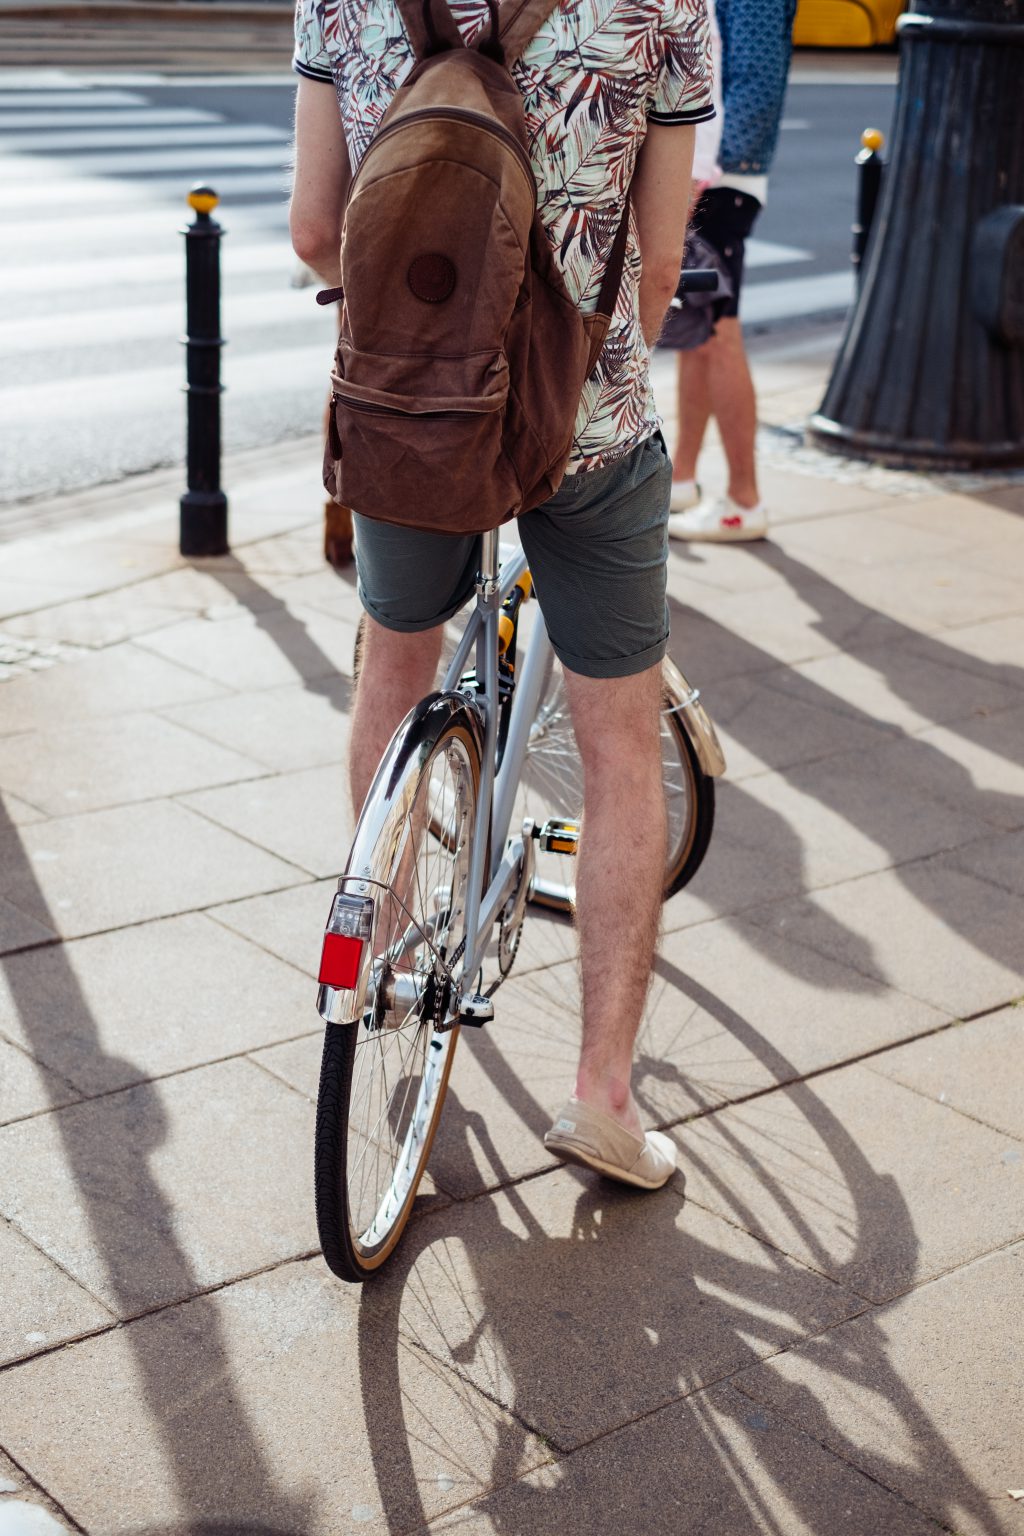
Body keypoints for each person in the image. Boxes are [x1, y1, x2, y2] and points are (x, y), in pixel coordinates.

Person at [290, 0, 713, 1189]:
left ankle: (372, 984)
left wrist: (434, 324)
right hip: (586, 422)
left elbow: (316, 230)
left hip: (404, 423)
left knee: (394, 665)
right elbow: (665, 258)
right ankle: (603, 1100)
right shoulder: (668, 6)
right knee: (620, 741)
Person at [662, 0, 797, 542]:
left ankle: (745, 499)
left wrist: (709, 174)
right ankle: (684, 480)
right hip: (711, 171)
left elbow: (758, 80)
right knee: (699, 335)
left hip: (718, 179)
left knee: (719, 332)